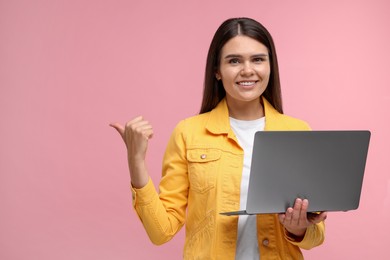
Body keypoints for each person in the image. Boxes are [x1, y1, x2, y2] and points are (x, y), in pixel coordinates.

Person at [110, 17, 327, 260]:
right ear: (217, 71)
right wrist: (135, 160)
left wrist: (298, 228)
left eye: (258, 59)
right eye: (234, 60)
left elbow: (316, 236)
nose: (247, 70)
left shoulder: (297, 132)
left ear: (270, 66)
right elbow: (161, 231)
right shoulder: (188, 133)